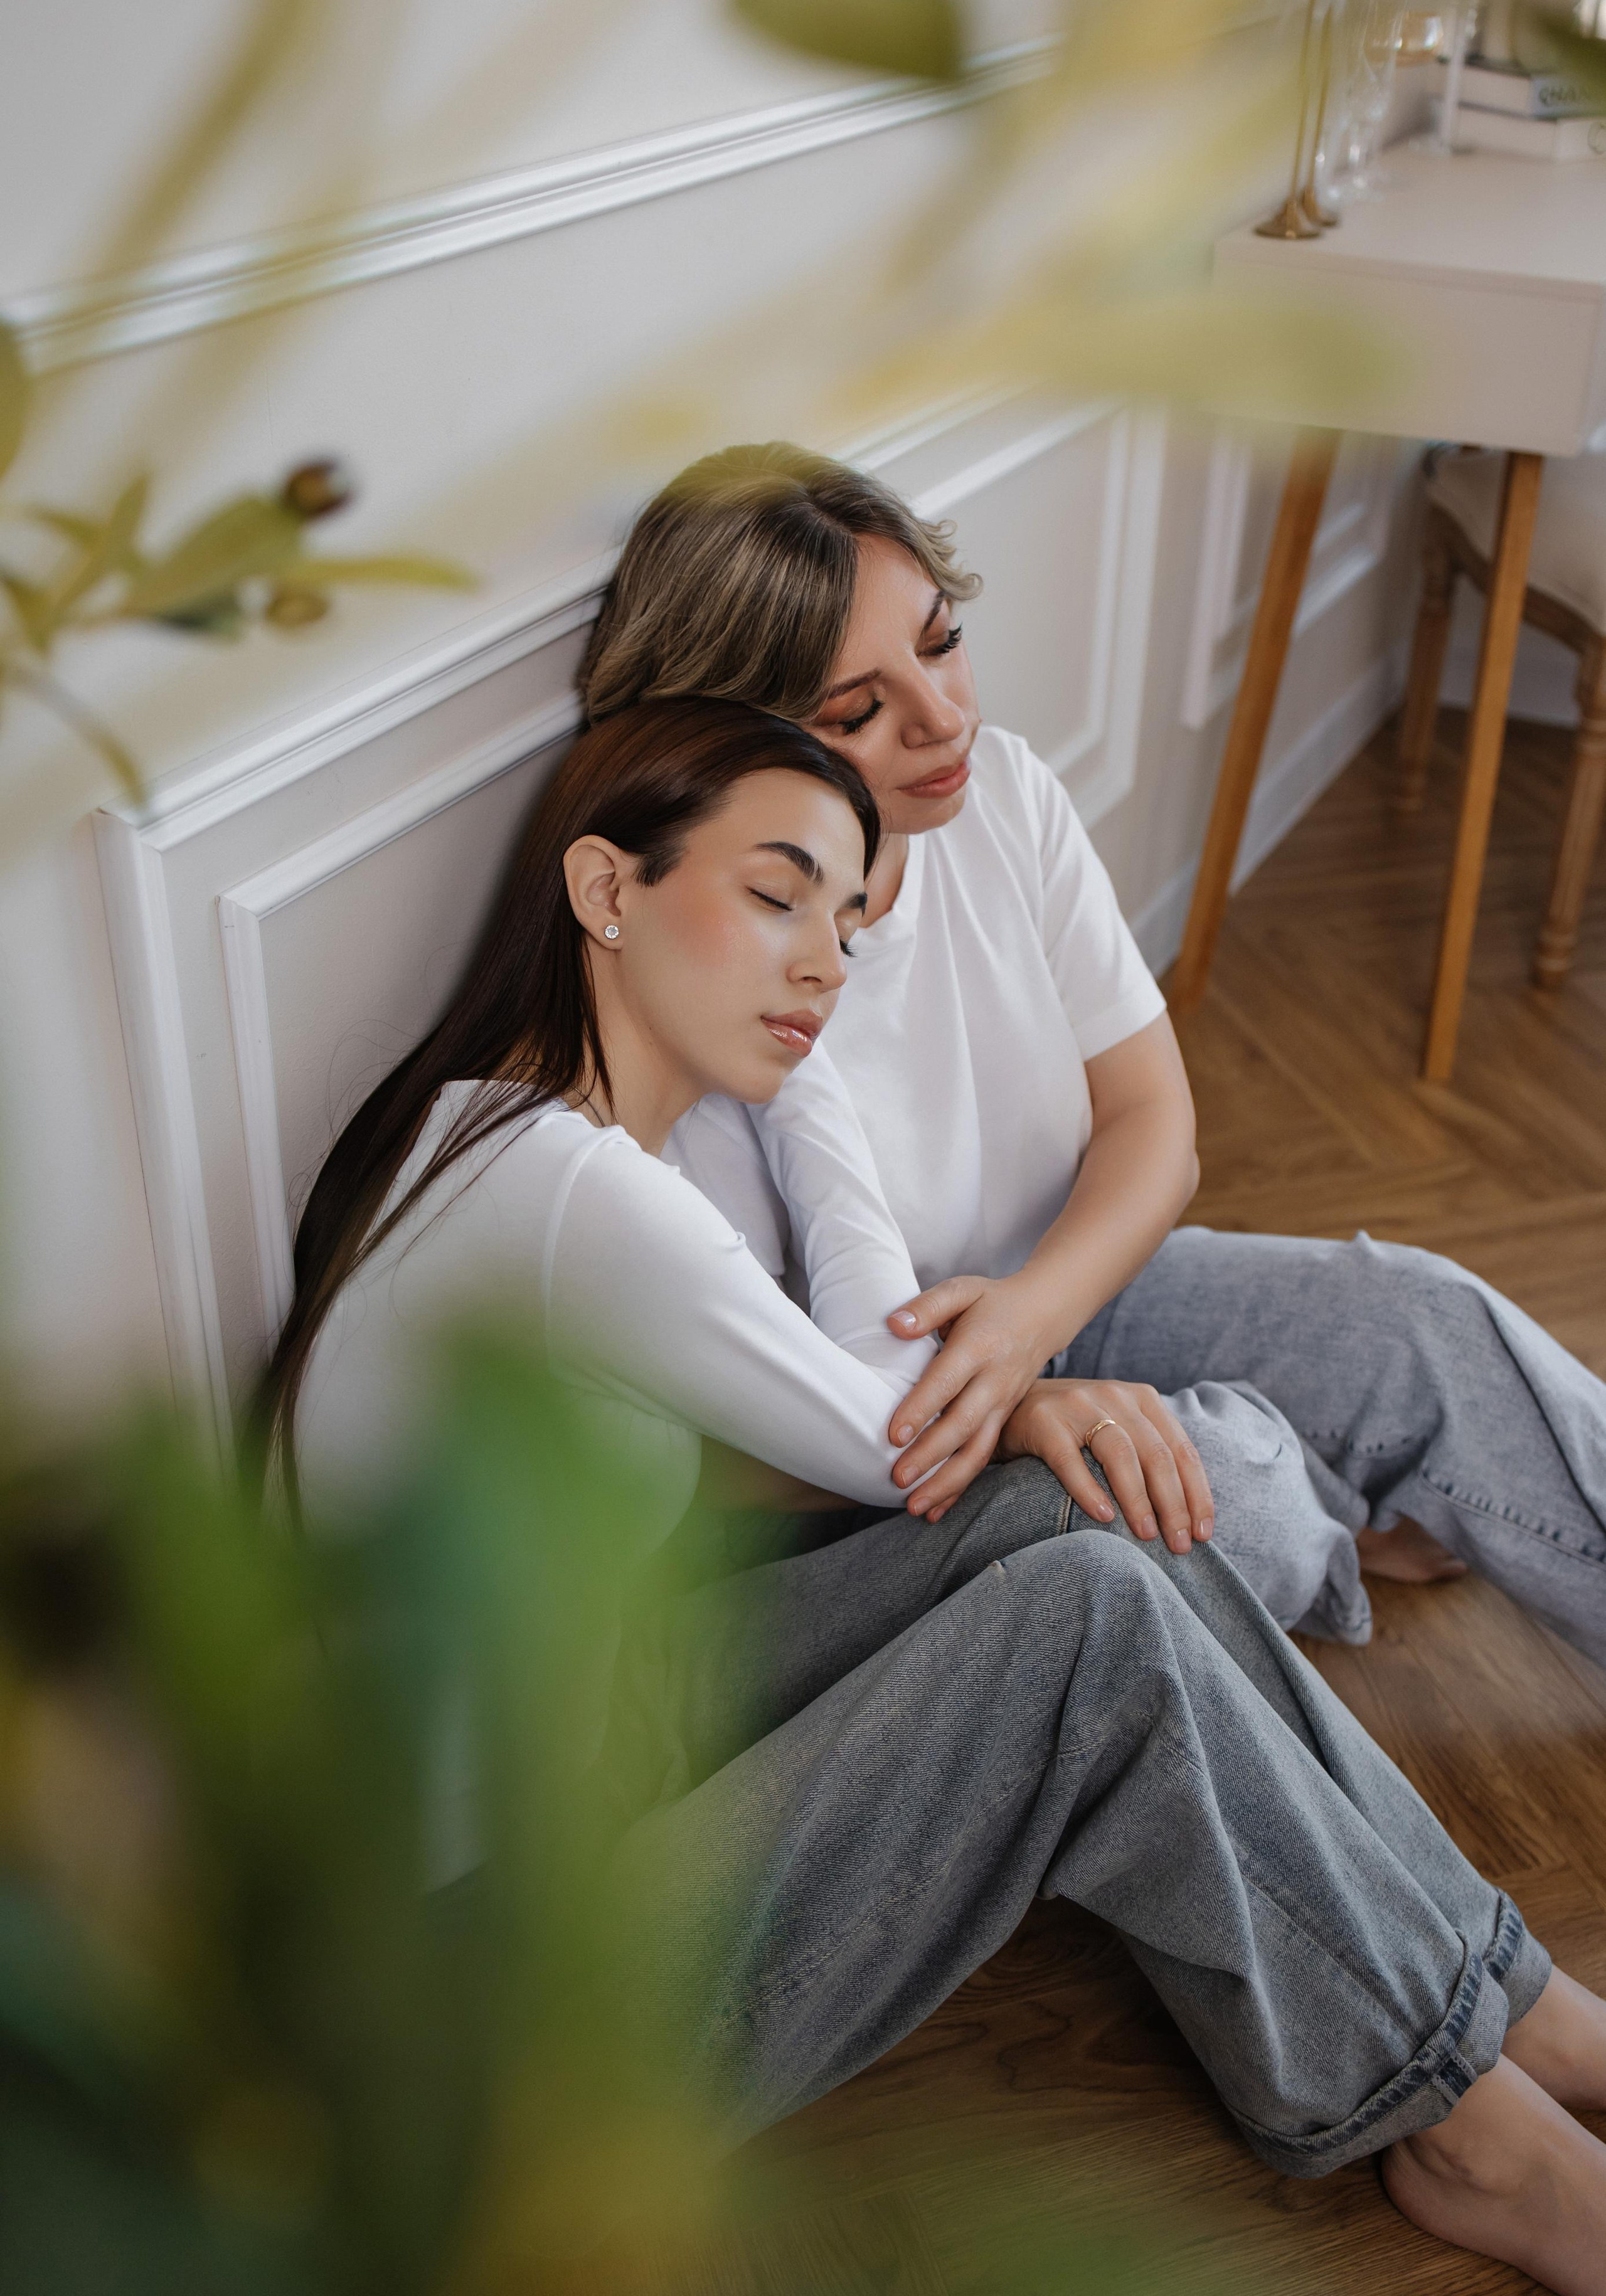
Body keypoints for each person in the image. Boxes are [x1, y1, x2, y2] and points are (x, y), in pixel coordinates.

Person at [264, 699, 1606, 2291]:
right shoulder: (571, 1194)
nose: (825, 959)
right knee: (1079, 1611)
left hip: (596, 1758)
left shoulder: (505, 1131)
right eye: (774, 898)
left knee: (1074, 1528)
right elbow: (905, 1431)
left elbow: (882, 1387)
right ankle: (1467, 2128)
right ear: (604, 891)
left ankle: (1492, 2011)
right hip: (480, 2000)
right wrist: (1028, 1380)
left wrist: (788, 1063)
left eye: (843, 914)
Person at [579, 442, 1606, 1669]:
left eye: (941, 639)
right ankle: (1327, 1491)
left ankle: (1331, 1472)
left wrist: (1023, 1321)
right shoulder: (674, 988)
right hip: (885, 1468)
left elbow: (1150, 1125)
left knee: (1416, 1318)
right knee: (1247, 1505)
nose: (942, 716)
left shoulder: (998, 792)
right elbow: (703, 1458)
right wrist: (1005, 1405)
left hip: (1068, 1297)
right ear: (720, 741)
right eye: (856, 711)